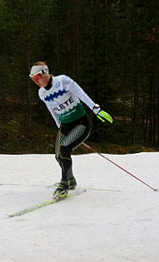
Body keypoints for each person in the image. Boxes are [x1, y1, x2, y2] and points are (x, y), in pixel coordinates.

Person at [29, 61, 113, 199]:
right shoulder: (42, 93)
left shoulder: (62, 81)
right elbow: (52, 110)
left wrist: (96, 109)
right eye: (33, 79)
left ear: (45, 72)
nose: (36, 81)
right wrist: (59, 127)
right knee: (58, 155)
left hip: (81, 123)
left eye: (38, 77)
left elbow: (80, 93)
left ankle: (64, 185)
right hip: (65, 126)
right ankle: (71, 180)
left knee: (64, 149)